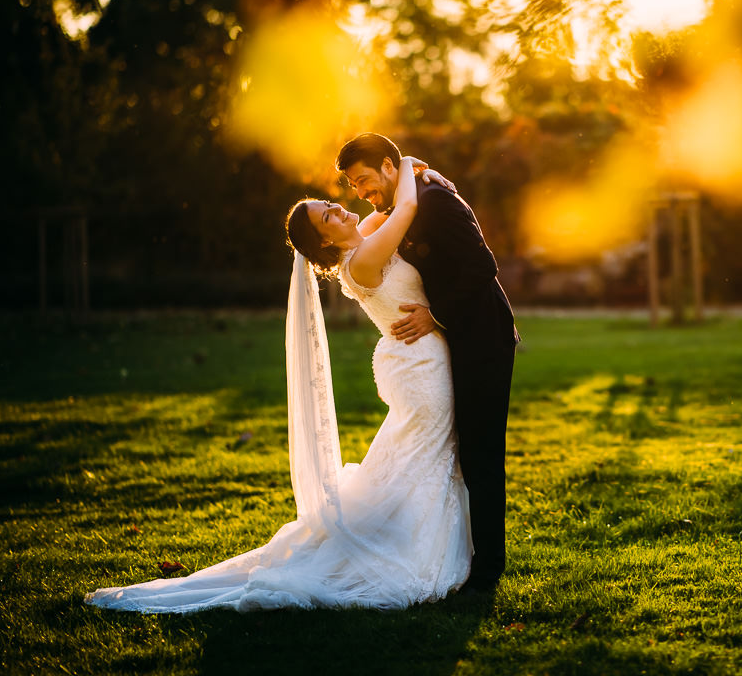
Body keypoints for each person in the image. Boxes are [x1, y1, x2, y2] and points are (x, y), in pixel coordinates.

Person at [85, 157, 472, 612]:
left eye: (331, 203)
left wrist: (415, 173)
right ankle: (414, 549)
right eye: (330, 216)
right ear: (325, 241)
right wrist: (405, 161)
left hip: (417, 361)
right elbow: (404, 208)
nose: (340, 210)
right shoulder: (363, 260)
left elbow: (393, 204)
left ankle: (415, 536)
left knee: (415, 460)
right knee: (426, 458)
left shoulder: (366, 234)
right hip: (421, 372)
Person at [336, 133, 518, 593]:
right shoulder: (408, 201)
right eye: (354, 187)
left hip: (484, 338)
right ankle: (461, 553)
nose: (360, 192)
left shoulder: (435, 200)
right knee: (460, 451)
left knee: (481, 453)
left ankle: (489, 570)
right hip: (449, 344)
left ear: (387, 167)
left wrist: (434, 316)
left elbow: (483, 267)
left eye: (364, 180)